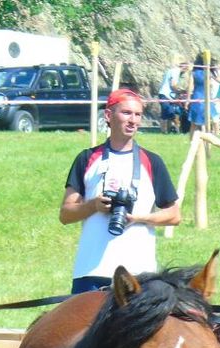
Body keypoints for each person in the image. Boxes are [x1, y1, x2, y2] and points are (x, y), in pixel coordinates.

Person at [59, 89, 181, 294]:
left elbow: (175, 215)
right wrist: (94, 206)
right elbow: (65, 214)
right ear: (108, 115)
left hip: (139, 273)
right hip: (91, 269)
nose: (133, 120)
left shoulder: (152, 162)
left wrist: (138, 218)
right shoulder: (87, 158)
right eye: (126, 113)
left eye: (138, 114)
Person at [156, 57, 186, 133]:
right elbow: (173, 85)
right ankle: (173, 130)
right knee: (170, 113)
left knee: (165, 114)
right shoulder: (176, 71)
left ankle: (165, 131)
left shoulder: (170, 70)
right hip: (166, 94)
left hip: (165, 94)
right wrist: (180, 91)